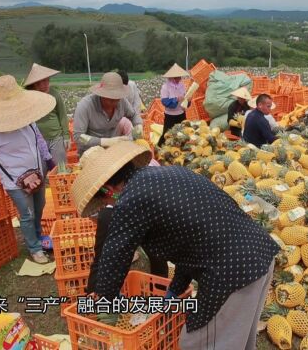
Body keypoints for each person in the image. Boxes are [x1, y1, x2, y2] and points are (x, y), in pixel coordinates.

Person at [71, 142, 279, 350]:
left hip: (233, 273)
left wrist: (107, 300)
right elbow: (191, 243)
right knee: (238, 341)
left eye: (107, 200)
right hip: (259, 254)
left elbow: (115, 254)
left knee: (196, 344)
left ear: (109, 189)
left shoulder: (130, 199)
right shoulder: (168, 174)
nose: (112, 205)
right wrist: (175, 289)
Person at [0, 75, 56, 264]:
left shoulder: (26, 117)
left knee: (39, 208)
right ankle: (34, 248)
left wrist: (47, 158)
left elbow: (37, 137)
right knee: (27, 214)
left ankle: (38, 236)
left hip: (37, 175)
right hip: (15, 180)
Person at [78, 146, 168, 295]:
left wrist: (100, 291)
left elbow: (109, 256)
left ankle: (96, 296)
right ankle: (160, 291)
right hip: (157, 214)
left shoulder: (112, 199)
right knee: (157, 251)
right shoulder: (145, 170)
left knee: (104, 256)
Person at [73, 72, 143, 156]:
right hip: (91, 152)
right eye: (110, 99)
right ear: (101, 94)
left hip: (113, 150)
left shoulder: (121, 102)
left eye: (117, 98)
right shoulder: (85, 106)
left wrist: (138, 125)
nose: (115, 102)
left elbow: (133, 115)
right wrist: (104, 141)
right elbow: (79, 137)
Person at [24, 63, 69, 164]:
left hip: (56, 137)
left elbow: (62, 115)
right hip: (37, 140)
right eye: (43, 81)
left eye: (47, 80)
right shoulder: (28, 97)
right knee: (42, 172)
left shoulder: (54, 94)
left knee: (61, 169)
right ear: (35, 84)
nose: (46, 83)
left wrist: (66, 136)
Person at [158, 63, 190, 147]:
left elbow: (185, 97)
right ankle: (159, 149)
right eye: (176, 78)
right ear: (170, 77)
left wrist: (187, 101)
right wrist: (176, 99)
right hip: (170, 116)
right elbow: (165, 102)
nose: (178, 79)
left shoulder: (182, 85)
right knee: (166, 134)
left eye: (179, 77)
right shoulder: (165, 87)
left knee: (182, 134)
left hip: (181, 114)